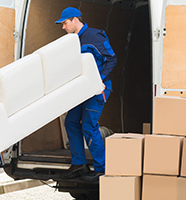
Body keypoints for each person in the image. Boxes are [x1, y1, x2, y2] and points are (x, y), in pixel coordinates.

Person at [55, 7, 117, 180]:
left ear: (75, 20)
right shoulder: (71, 41)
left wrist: (99, 80)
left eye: (65, 23)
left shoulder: (95, 36)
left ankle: (101, 169)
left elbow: (112, 59)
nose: (63, 27)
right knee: (71, 122)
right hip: (81, 90)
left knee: (89, 126)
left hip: (98, 89)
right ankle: (79, 165)